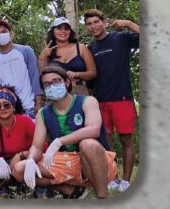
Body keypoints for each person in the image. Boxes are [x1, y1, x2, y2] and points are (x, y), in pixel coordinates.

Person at [18, 66, 118, 199]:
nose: (52, 86)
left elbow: (93, 129)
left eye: (56, 81)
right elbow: (36, 146)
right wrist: (31, 160)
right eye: (47, 84)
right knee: (20, 169)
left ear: (66, 82)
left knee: (87, 144)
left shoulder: (87, 101)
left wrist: (60, 141)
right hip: (68, 161)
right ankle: (73, 191)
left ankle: (102, 197)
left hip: (98, 161)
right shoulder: (43, 113)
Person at [83, 9, 139, 191]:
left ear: (104, 22)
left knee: (126, 139)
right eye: (89, 24)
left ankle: (126, 181)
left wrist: (128, 23)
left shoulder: (121, 38)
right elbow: (90, 78)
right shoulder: (90, 48)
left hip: (122, 98)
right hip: (100, 101)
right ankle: (112, 178)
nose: (93, 26)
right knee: (105, 141)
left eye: (96, 22)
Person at [0, 88, 35, 190]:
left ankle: (28, 185)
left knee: (21, 166)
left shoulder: (26, 121)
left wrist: (22, 155)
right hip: (4, 161)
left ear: (13, 107)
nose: (2, 108)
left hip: (25, 160)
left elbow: (42, 146)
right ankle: (6, 190)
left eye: (6, 105)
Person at [0, 19, 43, 118]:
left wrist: (38, 102)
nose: (1, 34)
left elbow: (35, 77)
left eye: (4, 31)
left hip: (29, 106)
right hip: (8, 110)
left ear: (10, 33)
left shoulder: (25, 51)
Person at [38, 16, 96, 93]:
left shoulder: (81, 48)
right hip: (56, 92)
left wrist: (77, 74)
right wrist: (43, 58)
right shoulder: (48, 51)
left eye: (66, 28)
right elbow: (43, 77)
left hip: (79, 90)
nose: (63, 31)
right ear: (53, 32)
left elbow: (93, 73)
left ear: (70, 31)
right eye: (59, 28)